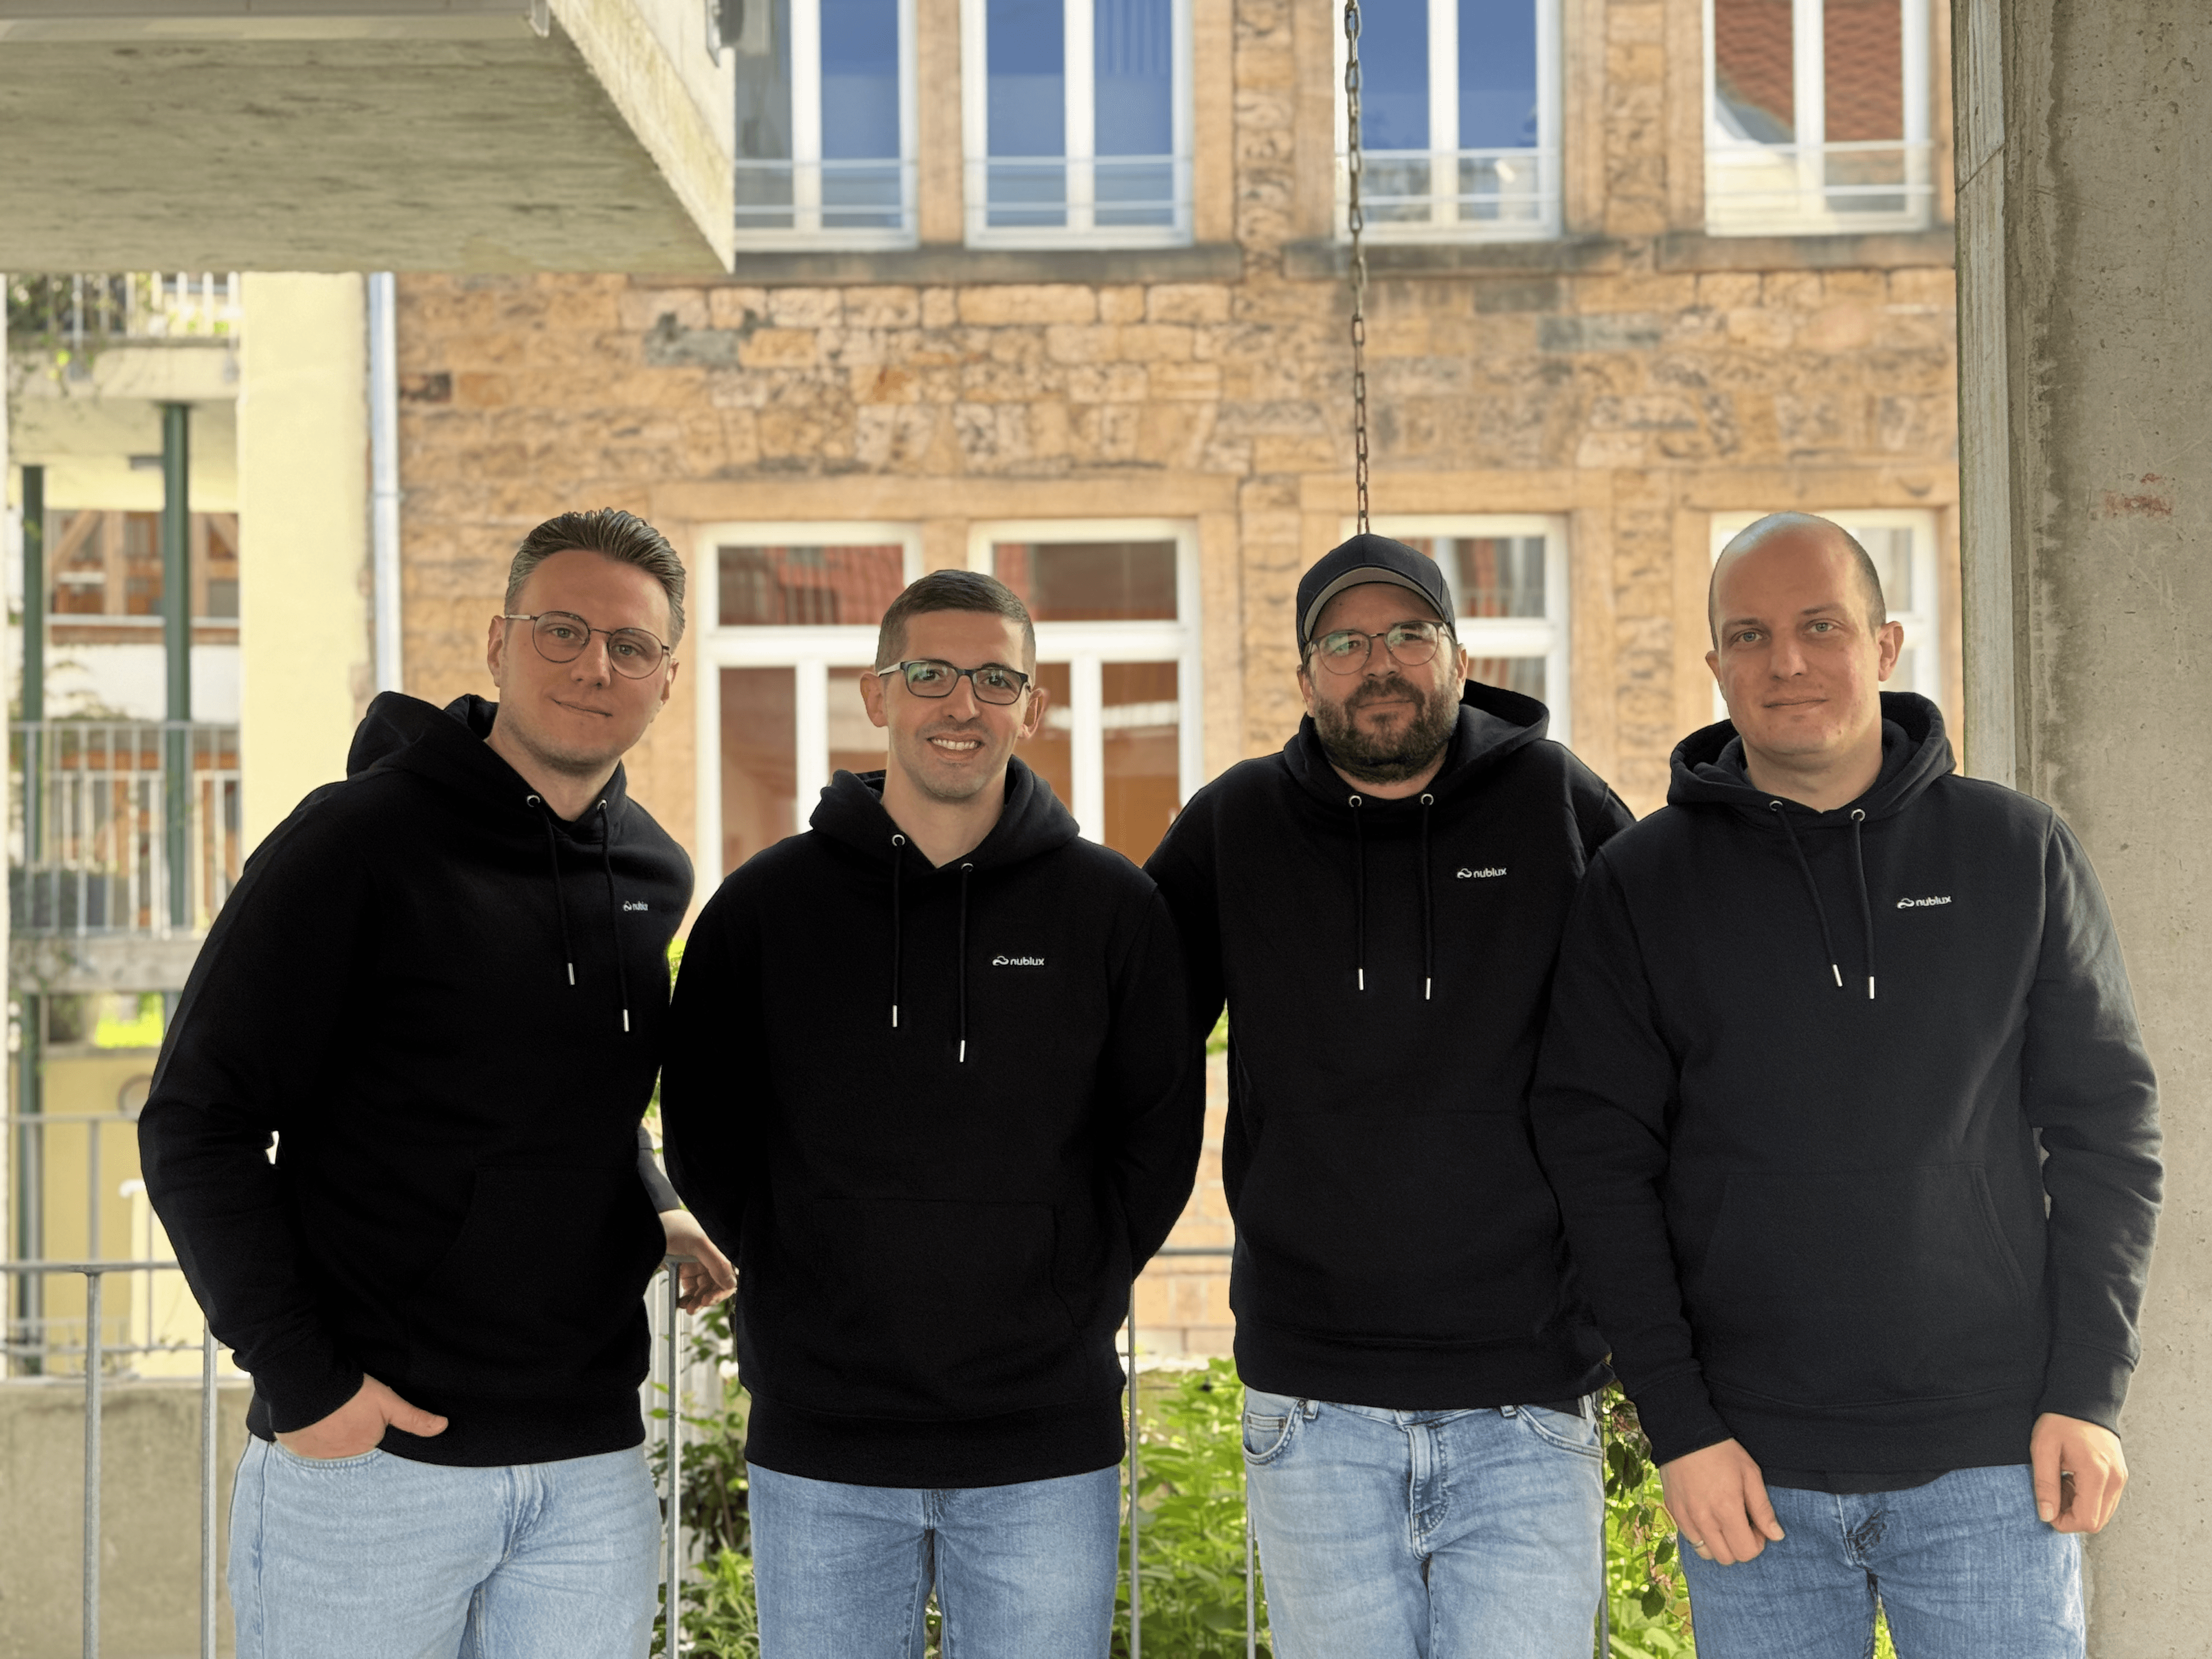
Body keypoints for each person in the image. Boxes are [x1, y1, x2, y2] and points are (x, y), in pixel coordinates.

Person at [1532, 512, 2162, 1658]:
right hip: (1750, 1474)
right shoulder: (1641, 886)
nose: (1786, 662)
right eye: (1751, 635)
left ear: (1885, 644)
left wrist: (2088, 1393)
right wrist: (1679, 1431)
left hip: (1993, 1465)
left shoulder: (2016, 854)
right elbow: (1599, 1169)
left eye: (1821, 626)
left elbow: (2110, 1134)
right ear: (1715, 664)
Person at [140, 509, 736, 1659]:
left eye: (629, 646)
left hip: (587, 1466)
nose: (591, 665)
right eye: (562, 630)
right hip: (373, 1459)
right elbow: (196, 1123)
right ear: (500, 641)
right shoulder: (354, 842)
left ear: (666, 679)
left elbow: (572, 1074)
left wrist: (656, 1194)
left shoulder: (653, 869)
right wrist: (309, 1388)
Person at [661, 568, 1202, 1659]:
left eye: (996, 678)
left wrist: (1067, 1282)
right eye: (932, 674)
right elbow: (706, 1134)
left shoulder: (1112, 909)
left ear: (1032, 707)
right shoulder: (766, 909)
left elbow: (1158, 1141)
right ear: (878, 695)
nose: (964, 704)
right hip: (822, 1441)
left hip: (1044, 1442)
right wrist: (801, 1263)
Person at [1142, 534, 1635, 1659]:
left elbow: (1668, 1024)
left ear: (1460, 657)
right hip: (1314, 1406)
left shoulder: (1554, 801)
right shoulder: (1237, 824)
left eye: (1410, 634)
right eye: (1348, 640)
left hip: (1527, 1397)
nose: (1382, 662)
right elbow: (1122, 1034)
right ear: (1306, 671)